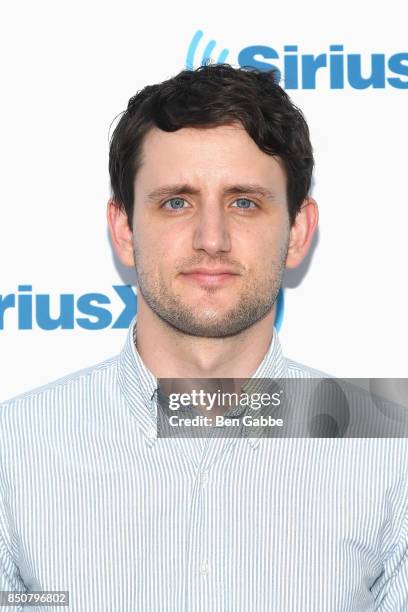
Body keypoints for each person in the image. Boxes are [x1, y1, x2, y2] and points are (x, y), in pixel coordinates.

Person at [0, 63, 407, 611]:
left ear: (298, 232)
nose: (210, 239)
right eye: (176, 202)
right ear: (124, 230)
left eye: (244, 202)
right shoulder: (15, 452)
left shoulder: (389, 455)